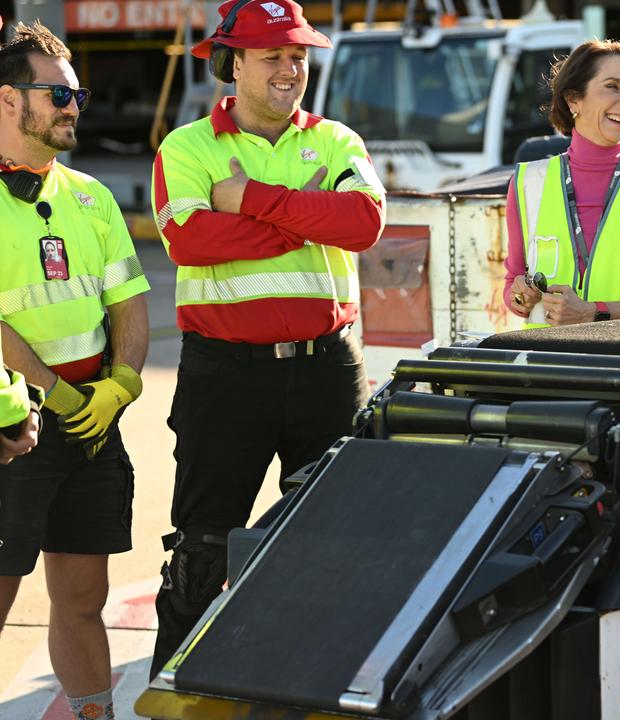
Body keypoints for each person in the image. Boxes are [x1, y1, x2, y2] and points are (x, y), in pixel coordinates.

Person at [149, 0, 385, 678]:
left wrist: (252, 197)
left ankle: (316, 688)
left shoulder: (338, 140)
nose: (291, 68)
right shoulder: (186, 148)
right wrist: (307, 217)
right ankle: (177, 693)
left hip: (328, 370)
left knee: (335, 544)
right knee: (201, 550)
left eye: (299, 55)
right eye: (274, 55)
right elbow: (192, 241)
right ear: (233, 64)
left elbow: (364, 223)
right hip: (224, 376)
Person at [0, 21, 150, 720]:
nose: (72, 107)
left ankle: (95, 713)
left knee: (84, 600)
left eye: (77, 95)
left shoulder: (91, 197)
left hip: (93, 424)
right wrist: (55, 392)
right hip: (14, 427)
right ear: (8, 100)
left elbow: (129, 303)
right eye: (58, 93)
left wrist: (120, 383)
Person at [503, 40, 620, 326]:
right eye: (612, 86)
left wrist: (594, 312)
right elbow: (512, 286)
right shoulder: (527, 182)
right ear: (573, 100)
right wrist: (521, 297)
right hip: (549, 362)